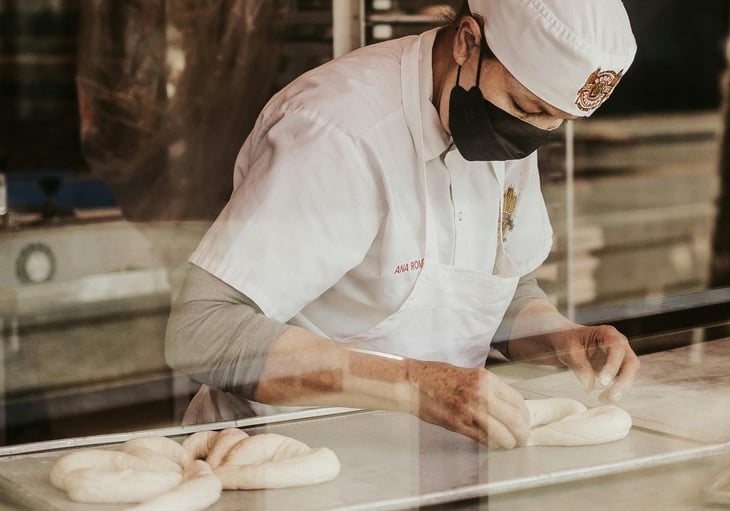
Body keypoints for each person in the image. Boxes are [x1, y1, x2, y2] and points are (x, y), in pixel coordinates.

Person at [165, 0, 640, 449]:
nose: (535, 133)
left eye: (557, 120)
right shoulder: (338, 130)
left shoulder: (497, 119)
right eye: (528, 107)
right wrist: (414, 386)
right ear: (467, 44)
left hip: (429, 463)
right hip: (288, 457)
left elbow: (497, 294)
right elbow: (203, 331)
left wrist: (561, 340)